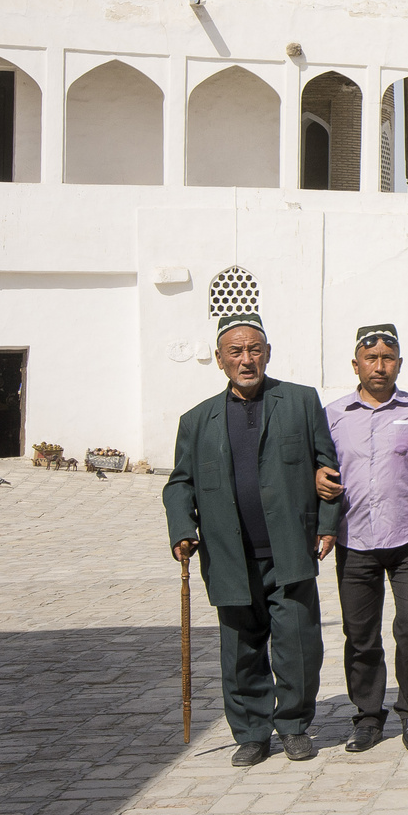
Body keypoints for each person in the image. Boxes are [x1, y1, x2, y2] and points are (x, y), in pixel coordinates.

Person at [163, 312, 342, 767]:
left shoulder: (300, 402)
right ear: (221, 361)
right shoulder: (196, 420)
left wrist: (326, 522)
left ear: (267, 353)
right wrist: (183, 529)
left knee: (298, 646)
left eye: (255, 350)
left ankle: (295, 726)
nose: (247, 360)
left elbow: (329, 466)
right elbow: (179, 483)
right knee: (240, 652)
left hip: (288, 548)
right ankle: (251, 733)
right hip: (230, 554)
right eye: (236, 352)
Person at [321, 323, 408, 753]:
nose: (379, 367)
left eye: (388, 358)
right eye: (371, 358)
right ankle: (367, 717)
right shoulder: (334, 415)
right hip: (354, 540)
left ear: (399, 363)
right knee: (360, 635)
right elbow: (317, 465)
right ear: (355, 364)